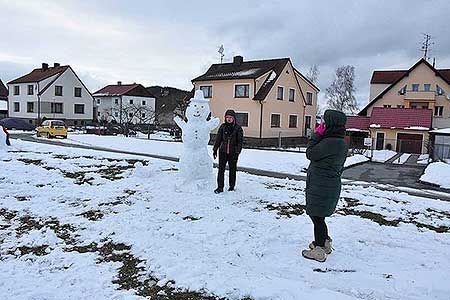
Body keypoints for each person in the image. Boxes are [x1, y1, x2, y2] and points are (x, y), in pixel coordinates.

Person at [302, 109, 348, 262]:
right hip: (326, 184)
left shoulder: (330, 142)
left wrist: (317, 134)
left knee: (316, 216)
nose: (321, 124)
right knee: (318, 216)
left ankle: (319, 249)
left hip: (321, 185)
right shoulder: (339, 141)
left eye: (324, 122)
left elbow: (310, 153)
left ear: (331, 124)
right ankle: (324, 242)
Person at [213, 109, 244, 194]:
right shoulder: (223, 127)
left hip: (233, 153)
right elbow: (218, 139)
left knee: (232, 170)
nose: (229, 119)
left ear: (234, 118)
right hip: (223, 152)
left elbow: (240, 142)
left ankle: (231, 186)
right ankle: (220, 187)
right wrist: (215, 149)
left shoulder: (238, 128)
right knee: (221, 170)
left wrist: (237, 152)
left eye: (230, 117)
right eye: (227, 117)